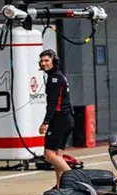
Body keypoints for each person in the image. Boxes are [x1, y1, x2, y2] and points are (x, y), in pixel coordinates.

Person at [37, 49, 75, 187]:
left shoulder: (54, 78)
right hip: (67, 119)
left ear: (54, 61)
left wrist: (45, 122)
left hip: (59, 120)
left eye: (46, 60)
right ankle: (60, 185)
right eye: (41, 61)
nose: (43, 63)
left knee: (48, 154)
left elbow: (53, 103)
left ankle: (75, 179)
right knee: (58, 155)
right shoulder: (58, 75)